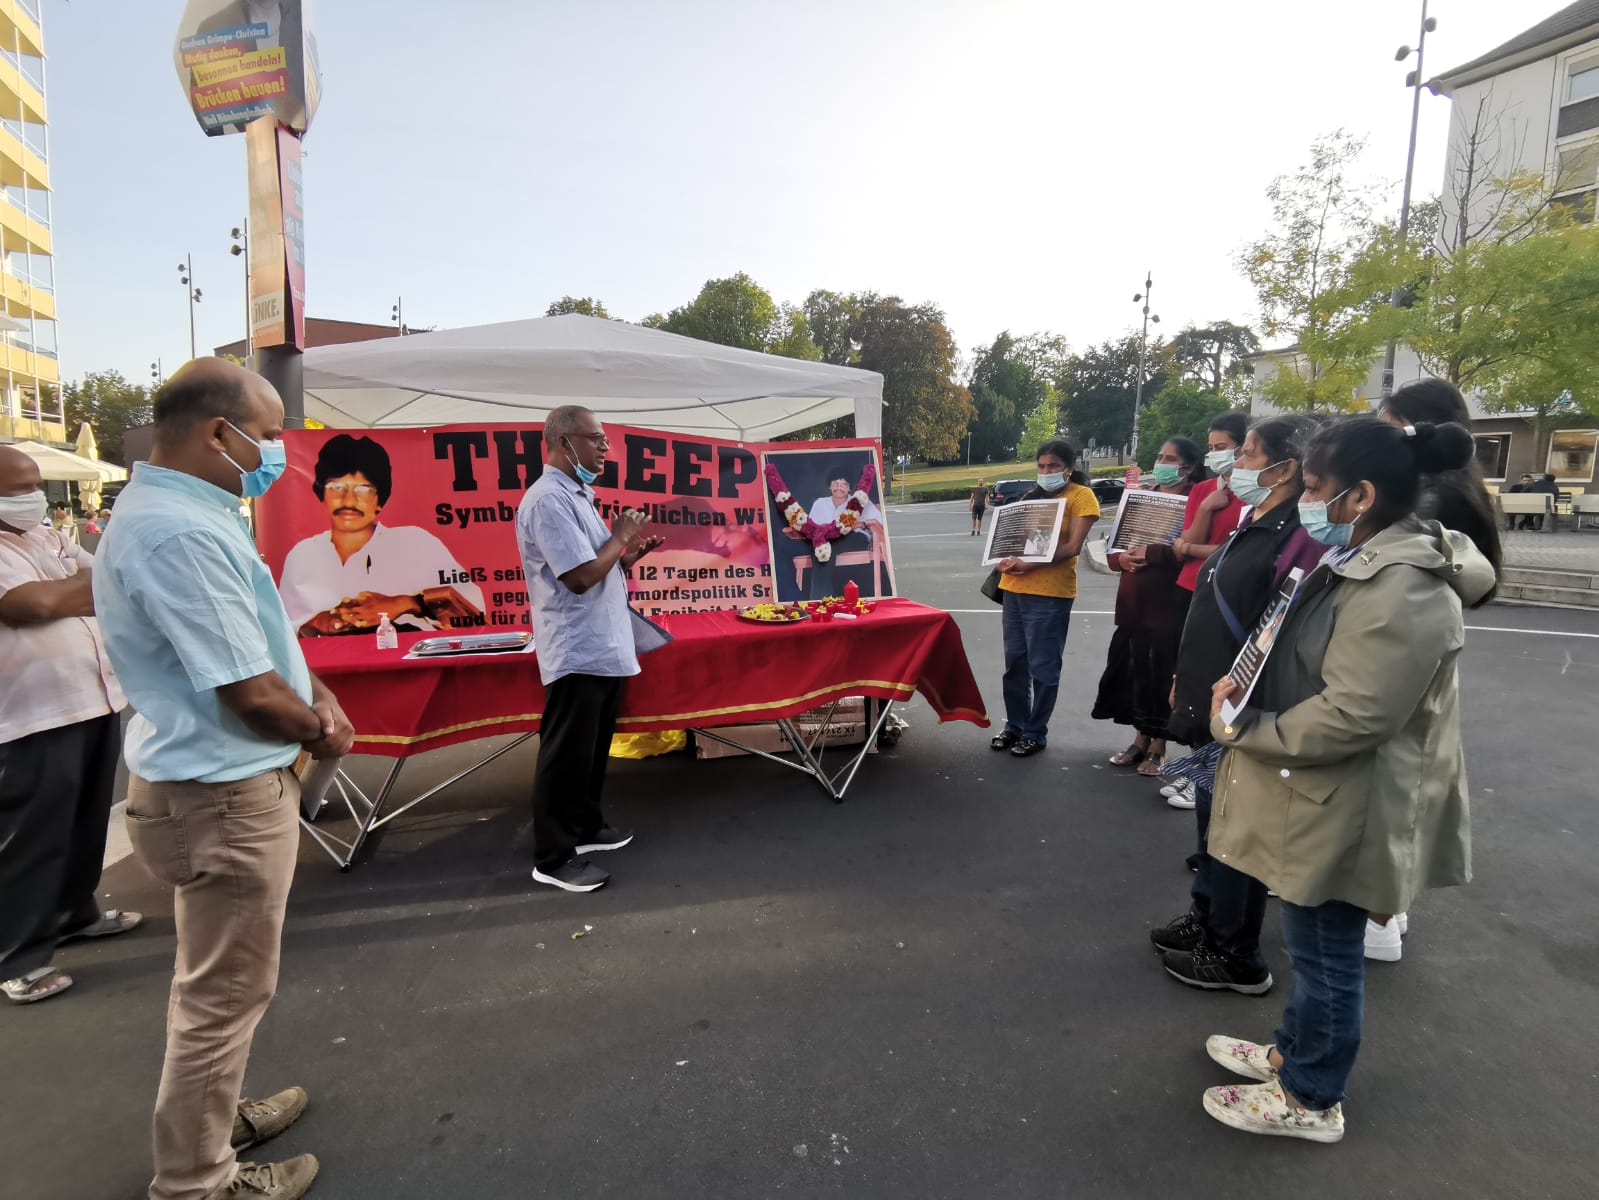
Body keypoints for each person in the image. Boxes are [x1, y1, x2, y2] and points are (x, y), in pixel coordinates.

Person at [94, 358, 355, 1200]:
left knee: (218, 988)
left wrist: (316, 693)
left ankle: (208, 1122)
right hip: (223, 798)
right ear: (219, 432)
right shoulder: (179, 532)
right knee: (222, 996)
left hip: (211, 790)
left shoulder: (186, 513)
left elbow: (260, 643)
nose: (277, 453)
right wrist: (321, 728)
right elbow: (250, 693)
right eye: (269, 435)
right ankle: (197, 1180)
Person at [1198, 417, 1493, 1143]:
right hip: (1324, 791)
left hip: (1349, 799)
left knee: (1326, 954)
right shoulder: (1366, 556)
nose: (1304, 500)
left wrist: (1246, 729)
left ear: (1360, 496)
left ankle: (1310, 1096)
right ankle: (1293, 1053)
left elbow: (1355, 714)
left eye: (1314, 488)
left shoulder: (1402, 585)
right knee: (1311, 942)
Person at [1149, 415, 1325, 995]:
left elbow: (1276, 627)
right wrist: (1187, 676)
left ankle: (1234, 951)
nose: (1236, 464)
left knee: (1236, 830)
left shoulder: (1297, 532)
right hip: (1213, 700)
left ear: (1286, 468)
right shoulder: (1255, 518)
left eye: (1247, 453)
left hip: (1244, 706)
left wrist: (1231, 692)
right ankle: (1206, 916)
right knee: (1212, 821)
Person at [0, 445, 137, 1006]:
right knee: (32, 835)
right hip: (31, 712)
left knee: (85, 821)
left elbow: (95, 575)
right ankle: (17, 956)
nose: (32, 497)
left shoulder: (46, 537)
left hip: (91, 697)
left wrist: (78, 591)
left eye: (36, 485)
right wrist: (93, 589)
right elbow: (29, 604)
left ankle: (74, 912)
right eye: (17, 489)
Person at [1373, 378, 1504, 959]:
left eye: (1386, 424)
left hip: (1400, 647)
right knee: (1406, 773)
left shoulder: (1424, 505)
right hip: (1423, 653)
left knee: (1390, 778)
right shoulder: (1456, 492)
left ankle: (1378, 913)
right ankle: (1387, 906)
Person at [517, 405, 665, 893]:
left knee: (591, 751)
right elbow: (579, 577)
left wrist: (626, 555)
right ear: (564, 442)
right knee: (566, 755)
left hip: (602, 645)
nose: (605, 448)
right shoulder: (547, 501)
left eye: (604, 440)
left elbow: (596, 565)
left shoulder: (576, 496)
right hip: (576, 648)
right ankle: (553, 857)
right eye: (595, 439)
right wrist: (619, 537)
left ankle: (585, 829)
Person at [279, 433, 486, 636]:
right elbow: (280, 630)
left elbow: (474, 614)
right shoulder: (303, 554)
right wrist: (315, 623)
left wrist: (407, 603)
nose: (349, 500)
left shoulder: (415, 543)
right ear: (321, 494)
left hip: (408, 657)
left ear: (380, 500)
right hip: (328, 659)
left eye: (363, 490)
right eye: (337, 487)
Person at [1145, 412, 1249, 808]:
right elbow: (1186, 542)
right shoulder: (1205, 490)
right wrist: (1206, 510)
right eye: (1212, 447)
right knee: (1186, 679)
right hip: (1191, 590)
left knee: (1218, 683)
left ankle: (1209, 774)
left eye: (1223, 447)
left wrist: (1190, 548)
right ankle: (1196, 766)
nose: (1215, 453)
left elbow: (1235, 549)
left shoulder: (1251, 493)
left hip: (1228, 595)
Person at [1094, 437, 1205, 779]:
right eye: (1160, 456)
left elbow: (1190, 550)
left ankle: (1159, 745)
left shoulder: (1196, 501)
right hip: (1133, 602)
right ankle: (1139, 738)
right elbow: (1114, 547)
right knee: (1136, 673)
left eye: (1170, 458)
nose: (1162, 463)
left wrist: (1152, 553)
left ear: (1188, 467)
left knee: (1163, 674)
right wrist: (1121, 560)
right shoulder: (1141, 497)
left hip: (1168, 602)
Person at [990, 439, 1100, 758]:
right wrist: (1002, 557)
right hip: (1015, 588)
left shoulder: (1081, 496)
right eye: (1041, 465)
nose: (1046, 471)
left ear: (1069, 468)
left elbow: (1073, 547)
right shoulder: (1031, 497)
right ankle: (1015, 725)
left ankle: (1035, 732)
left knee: (1043, 667)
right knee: (1015, 665)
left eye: (1053, 466)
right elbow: (1013, 539)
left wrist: (1031, 564)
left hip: (1050, 593)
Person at [799, 463, 887, 599]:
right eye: (835, 484)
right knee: (820, 547)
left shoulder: (859, 501)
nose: (839, 488)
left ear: (849, 487)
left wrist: (861, 524)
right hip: (827, 541)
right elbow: (811, 527)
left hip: (854, 538)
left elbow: (879, 523)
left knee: (825, 546)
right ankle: (822, 598)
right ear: (829, 486)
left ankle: (820, 598)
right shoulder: (820, 503)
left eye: (843, 484)